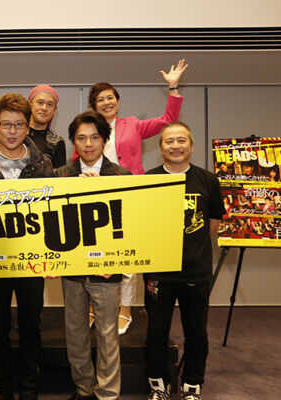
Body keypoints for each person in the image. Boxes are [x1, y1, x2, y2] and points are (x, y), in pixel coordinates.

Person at [87, 59, 188, 335]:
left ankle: (125, 308)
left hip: (130, 197)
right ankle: (93, 306)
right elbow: (78, 161)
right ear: (94, 106)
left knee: (128, 258)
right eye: (100, 99)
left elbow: (167, 121)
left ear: (117, 101)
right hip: (96, 199)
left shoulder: (132, 124)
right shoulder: (89, 131)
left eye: (110, 97)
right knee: (95, 254)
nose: (106, 102)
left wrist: (173, 88)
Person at [0, 93, 55, 400]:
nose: (12, 131)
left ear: (28, 127)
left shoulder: (43, 163)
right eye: (6, 124)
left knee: (31, 326)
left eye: (19, 124)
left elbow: (52, 211)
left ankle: (29, 391)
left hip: (32, 259)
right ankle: (3, 389)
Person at [144, 122, 225, 400]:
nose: (175, 146)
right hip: (158, 273)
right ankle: (158, 387)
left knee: (197, 334)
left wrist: (190, 244)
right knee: (156, 333)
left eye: (181, 140)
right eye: (169, 141)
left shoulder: (208, 180)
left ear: (191, 146)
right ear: (160, 147)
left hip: (196, 272)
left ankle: (192, 386)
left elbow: (213, 223)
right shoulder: (148, 180)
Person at [56, 110, 131, 400]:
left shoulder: (121, 176)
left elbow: (128, 225)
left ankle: (108, 394)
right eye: (81, 138)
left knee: (108, 335)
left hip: (107, 268)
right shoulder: (61, 176)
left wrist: (117, 261)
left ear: (104, 140)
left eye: (95, 138)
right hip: (72, 269)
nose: (88, 144)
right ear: (74, 142)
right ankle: (84, 389)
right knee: (75, 334)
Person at [27, 84, 67, 168]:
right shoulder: (17, 135)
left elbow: (60, 174)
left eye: (49, 104)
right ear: (29, 104)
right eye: (40, 102)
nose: (44, 108)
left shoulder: (57, 142)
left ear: (54, 110)